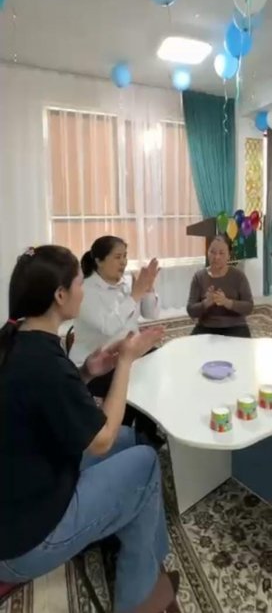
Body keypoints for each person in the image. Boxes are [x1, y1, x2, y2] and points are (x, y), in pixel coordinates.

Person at [0, 245, 179, 613]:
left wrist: (86, 372)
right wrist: (125, 361)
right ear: (60, 295)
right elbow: (101, 440)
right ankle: (137, 601)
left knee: (130, 439)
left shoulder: (19, 338)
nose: (83, 289)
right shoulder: (44, 362)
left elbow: (48, 403)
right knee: (145, 462)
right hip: (26, 540)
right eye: (80, 282)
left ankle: (145, 560)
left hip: (25, 488)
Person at [71, 235, 161, 442]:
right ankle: (120, 432)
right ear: (99, 261)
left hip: (128, 351)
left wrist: (148, 288)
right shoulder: (85, 290)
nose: (123, 262)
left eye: (125, 256)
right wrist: (135, 295)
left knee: (156, 364)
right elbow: (108, 327)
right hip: (98, 362)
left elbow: (151, 314)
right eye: (117, 257)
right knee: (133, 381)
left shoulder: (124, 284)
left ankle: (145, 431)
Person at [187, 235, 254, 338]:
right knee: (190, 346)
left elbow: (249, 307)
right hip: (206, 326)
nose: (216, 257)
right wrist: (206, 303)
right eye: (212, 252)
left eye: (221, 253)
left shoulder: (238, 276)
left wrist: (227, 302)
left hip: (235, 326)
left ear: (229, 255)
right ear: (207, 253)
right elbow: (191, 310)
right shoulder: (199, 277)